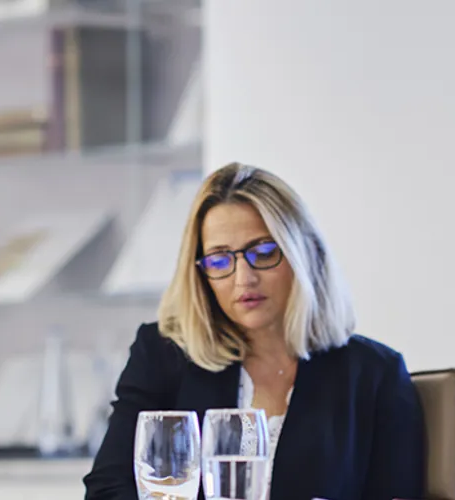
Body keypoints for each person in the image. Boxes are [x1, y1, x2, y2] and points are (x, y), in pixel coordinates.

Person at [83, 163, 427, 500]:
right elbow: (106, 489)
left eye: (263, 253)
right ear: (200, 274)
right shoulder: (163, 355)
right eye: (220, 260)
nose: (243, 278)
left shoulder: (375, 373)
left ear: (303, 252)